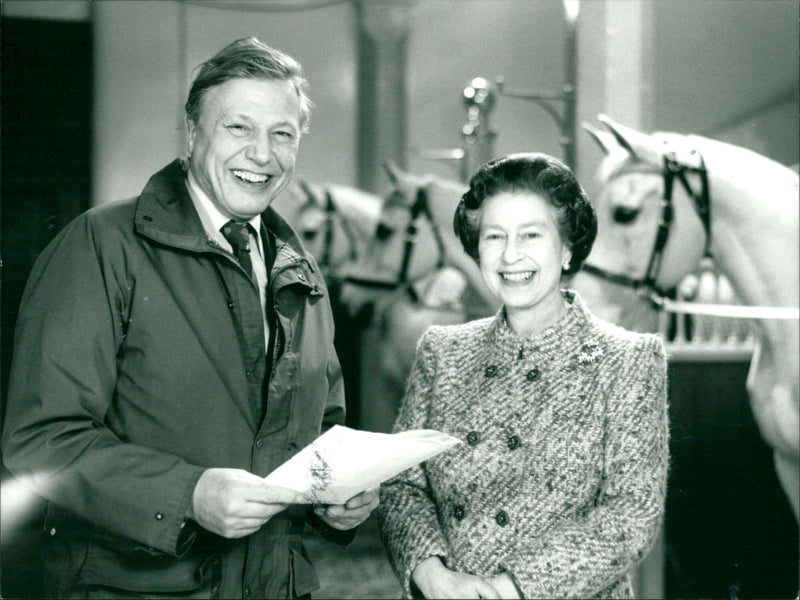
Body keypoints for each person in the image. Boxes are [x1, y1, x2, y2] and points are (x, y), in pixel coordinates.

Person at [2, 37, 378, 599]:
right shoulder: (101, 246)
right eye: (239, 128)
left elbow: (319, 432)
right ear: (192, 128)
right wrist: (188, 494)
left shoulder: (299, 271)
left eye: (283, 134)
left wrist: (340, 500)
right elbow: (41, 439)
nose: (262, 154)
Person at [377, 153, 668, 599]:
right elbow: (403, 485)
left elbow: (631, 516)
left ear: (568, 247)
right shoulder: (443, 351)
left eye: (531, 235)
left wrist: (511, 588)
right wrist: (433, 576)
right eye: (495, 237)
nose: (511, 256)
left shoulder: (627, 360)